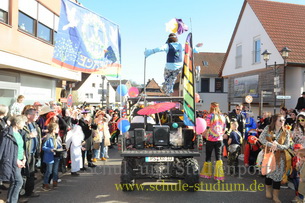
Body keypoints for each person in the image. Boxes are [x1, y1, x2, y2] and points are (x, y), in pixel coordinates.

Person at [259, 114, 290, 203]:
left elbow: (287, 145)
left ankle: (276, 196)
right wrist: (270, 144)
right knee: (268, 174)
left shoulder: (286, 131)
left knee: (278, 176)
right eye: (280, 120)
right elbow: (261, 138)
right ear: (275, 121)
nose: (282, 122)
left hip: (280, 157)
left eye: (283, 120)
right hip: (268, 155)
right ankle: (268, 190)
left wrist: (278, 146)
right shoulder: (268, 128)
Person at [0, 115, 27, 203]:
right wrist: (16, 160)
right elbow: (5, 151)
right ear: (17, 123)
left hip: (19, 161)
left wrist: (24, 157)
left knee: (15, 182)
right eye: (23, 122)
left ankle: (10, 200)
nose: (24, 124)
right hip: (12, 162)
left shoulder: (20, 132)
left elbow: (20, 146)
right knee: (19, 182)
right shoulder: (7, 134)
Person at [199, 102, 226, 181]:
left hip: (210, 139)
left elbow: (207, 127)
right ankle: (219, 176)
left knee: (208, 156)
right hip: (219, 139)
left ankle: (207, 174)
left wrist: (202, 134)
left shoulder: (209, 116)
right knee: (218, 157)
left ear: (211, 107)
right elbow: (224, 128)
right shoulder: (222, 117)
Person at [20, 108, 41, 198]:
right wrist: (29, 136)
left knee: (31, 173)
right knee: (24, 174)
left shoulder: (33, 124)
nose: (36, 116)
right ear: (28, 116)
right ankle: (22, 194)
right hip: (26, 153)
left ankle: (30, 191)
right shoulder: (23, 125)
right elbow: (20, 138)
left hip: (33, 153)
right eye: (34, 114)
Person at [42, 123, 62, 190]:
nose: (58, 130)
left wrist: (61, 148)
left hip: (57, 155)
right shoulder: (47, 137)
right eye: (57, 128)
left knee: (55, 170)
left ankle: (55, 181)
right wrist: (50, 150)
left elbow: (59, 145)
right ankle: (45, 183)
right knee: (49, 171)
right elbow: (43, 147)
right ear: (53, 129)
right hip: (49, 156)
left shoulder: (57, 136)